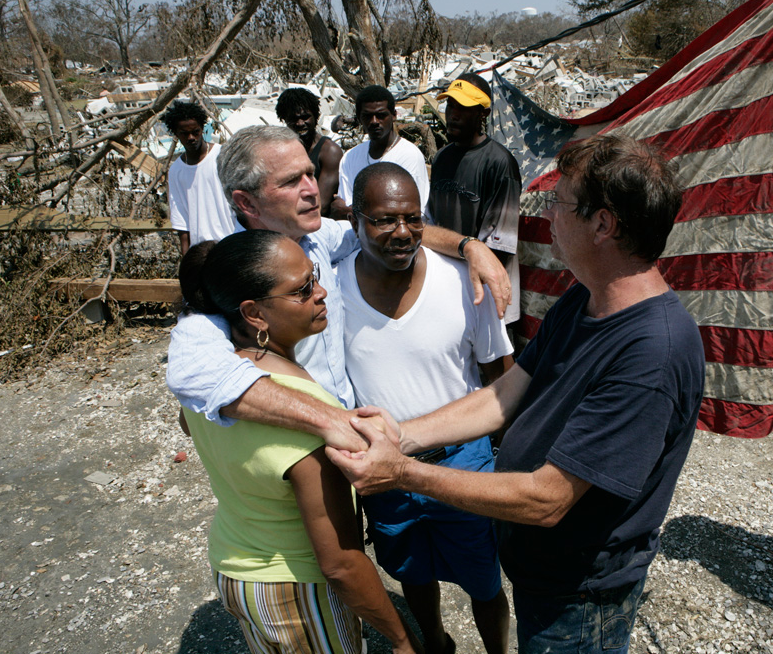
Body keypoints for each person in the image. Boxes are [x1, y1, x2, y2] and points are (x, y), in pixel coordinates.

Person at [329, 134, 705, 654]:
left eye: (560, 202)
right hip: (539, 573)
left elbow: (548, 499)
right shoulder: (586, 299)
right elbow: (504, 393)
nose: (548, 215)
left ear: (603, 224)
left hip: (580, 597)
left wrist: (404, 472)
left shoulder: (651, 353)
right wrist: (401, 435)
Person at [165, 125, 513, 453]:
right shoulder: (230, 276)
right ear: (247, 203)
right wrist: (331, 422)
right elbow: (191, 374)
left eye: (310, 173)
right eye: (290, 181)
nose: (312, 190)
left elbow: (390, 229)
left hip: (355, 457)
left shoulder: (318, 238)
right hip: (297, 454)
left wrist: (471, 247)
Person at [176, 230, 417, 654]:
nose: (321, 292)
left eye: (316, 277)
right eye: (302, 290)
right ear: (253, 313)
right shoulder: (310, 416)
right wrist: (400, 639)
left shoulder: (206, 385)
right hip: (294, 591)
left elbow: (187, 424)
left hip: (234, 568)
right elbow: (340, 564)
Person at [341, 162, 513, 654]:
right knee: (412, 573)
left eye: (412, 218)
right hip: (384, 470)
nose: (401, 233)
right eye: (383, 220)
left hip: (465, 462)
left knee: (485, 581)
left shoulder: (463, 282)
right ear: (355, 219)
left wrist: (503, 453)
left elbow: (500, 374)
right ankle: (436, 644)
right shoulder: (330, 291)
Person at [429, 74, 522, 324]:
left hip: (486, 296)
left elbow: (498, 246)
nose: (453, 114)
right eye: (450, 106)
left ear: (482, 114)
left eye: (464, 107)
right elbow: (430, 224)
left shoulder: (500, 163)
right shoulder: (441, 159)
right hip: (443, 289)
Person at [337, 86, 430, 214]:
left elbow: (406, 211)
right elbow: (342, 208)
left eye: (381, 115)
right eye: (367, 116)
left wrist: (353, 211)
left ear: (394, 116)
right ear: (359, 118)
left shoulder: (409, 155)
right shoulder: (350, 157)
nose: (374, 122)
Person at [163, 101, 238, 253]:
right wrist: (186, 262)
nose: (191, 137)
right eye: (184, 133)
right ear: (176, 134)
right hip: (202, 252)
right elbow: (181, 220)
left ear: (202, 128)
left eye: (195, 132)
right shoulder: (176, 170)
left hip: (234, 243)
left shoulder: (223, 155)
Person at [276, 87, 347, 219]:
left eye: (305, 117)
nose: (300, 123)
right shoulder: (282, 149)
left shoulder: (329, 152)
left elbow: (320, 205)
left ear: (316, 116)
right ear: (284, 120)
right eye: (293, 119)